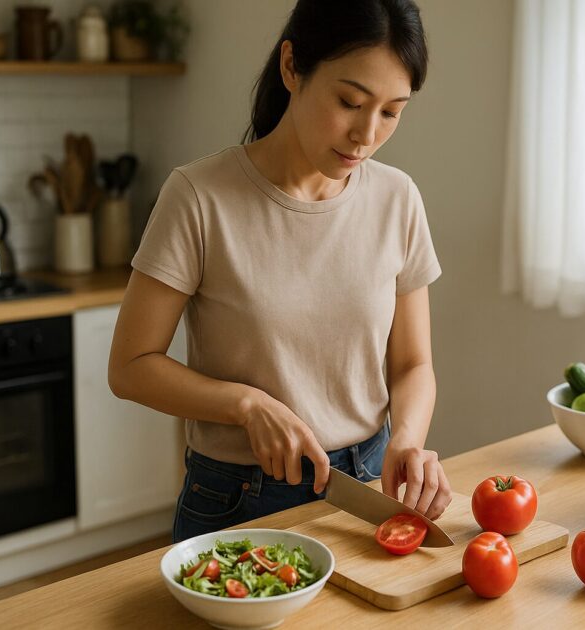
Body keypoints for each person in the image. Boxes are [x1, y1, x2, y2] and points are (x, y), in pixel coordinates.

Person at [107, 0, 451, 543]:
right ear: (292, 66)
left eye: (391, 111)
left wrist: (407, 439)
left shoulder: (397, 199)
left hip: (368, 486)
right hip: (238, 497)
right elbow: (129, 366)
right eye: (349, 101)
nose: (366, 133)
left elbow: (412, 363)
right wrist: (245, 404)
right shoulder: (199, 197)